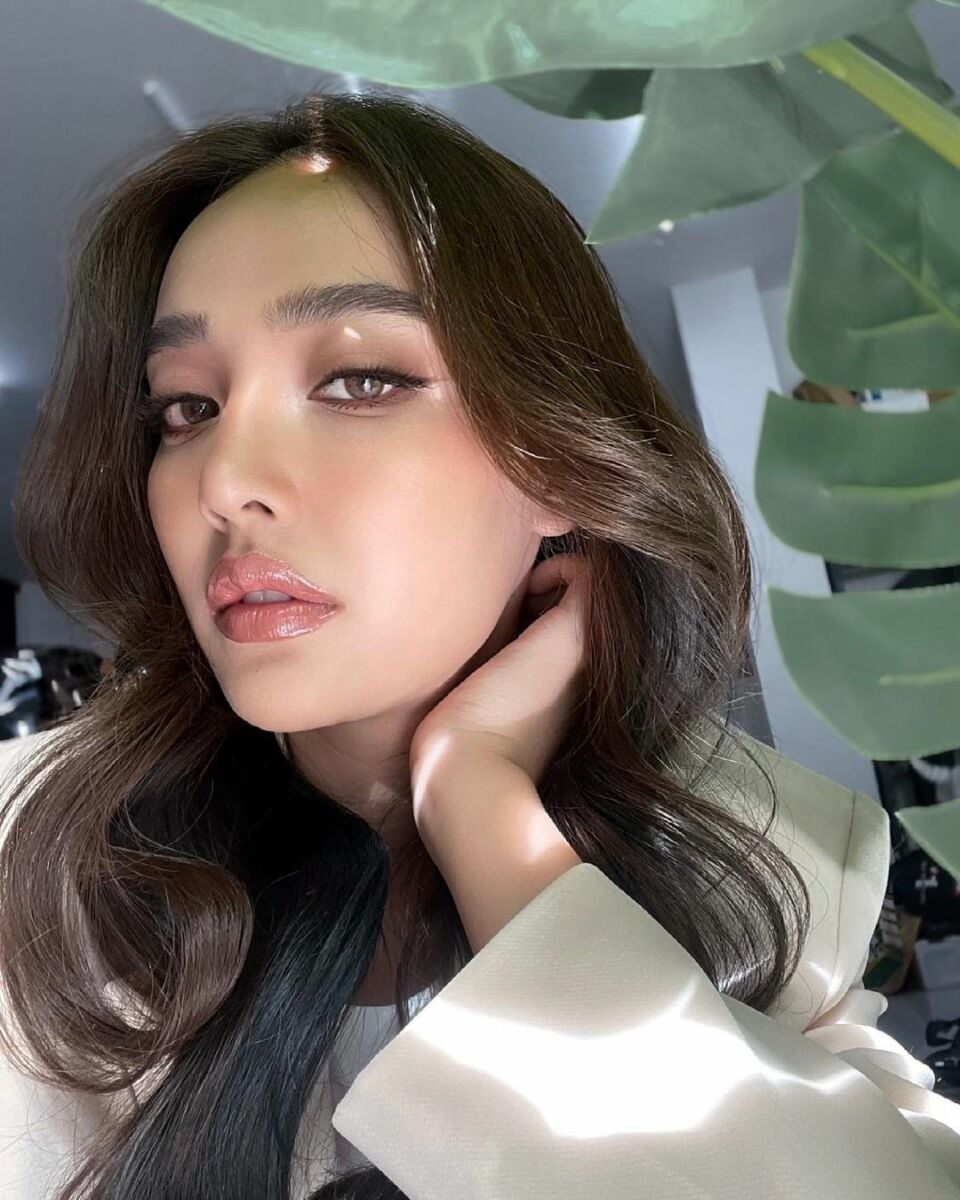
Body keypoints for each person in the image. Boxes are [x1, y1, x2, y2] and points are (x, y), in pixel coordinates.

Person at [0, 89, 957, 1200]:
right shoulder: (29, 865)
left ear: (558, 462)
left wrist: (488, 817)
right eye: (186, 408)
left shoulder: (779, 864)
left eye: (362, 379)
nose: (226, 481)